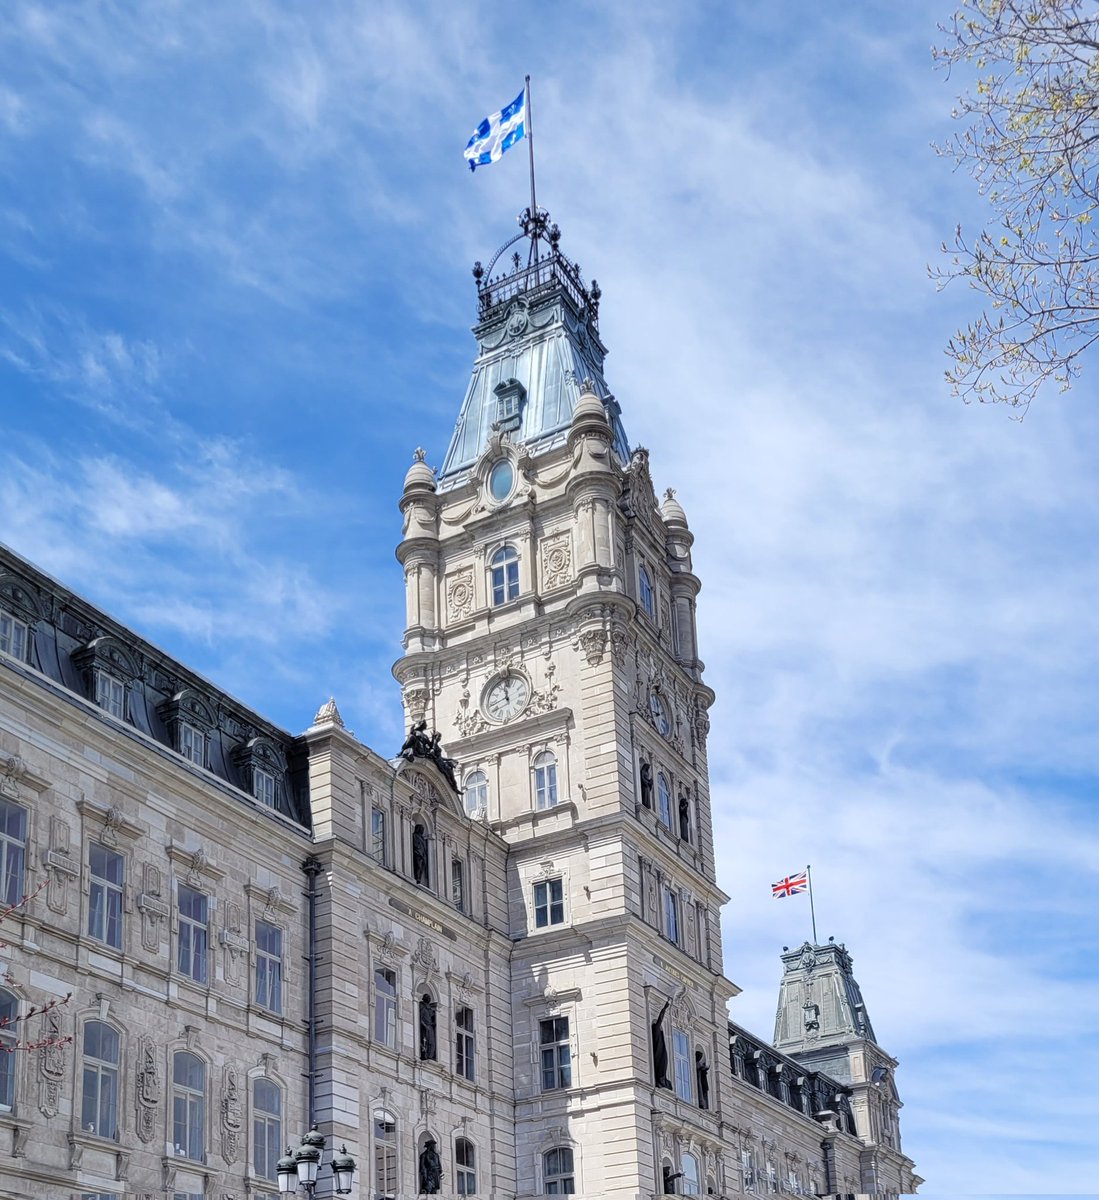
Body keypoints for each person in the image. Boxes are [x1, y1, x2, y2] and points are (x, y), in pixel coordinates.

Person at [419, 993, 437, 1060]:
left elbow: (431, 1016)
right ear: (424, 998)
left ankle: (430, 1055)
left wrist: (432, 1023)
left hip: (430, 1027)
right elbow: (420, 1019)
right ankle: (426, 1055)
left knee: (432, 1043)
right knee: (426, 1041)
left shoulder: (429, 1009)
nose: (429, 998)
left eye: (429, 997)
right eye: (428, 997)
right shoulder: (423, 1008)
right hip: (426, 1028)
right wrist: (425, 1026)